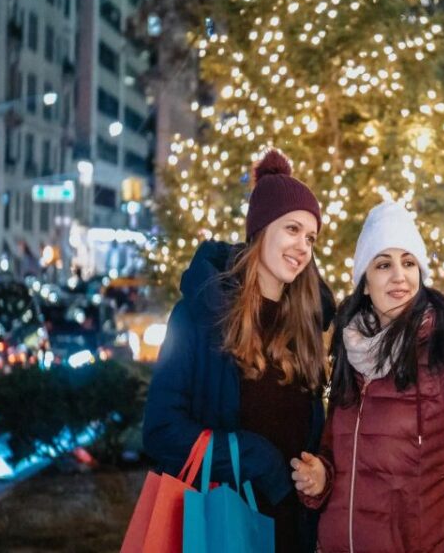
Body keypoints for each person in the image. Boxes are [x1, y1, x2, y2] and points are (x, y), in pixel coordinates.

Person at [291, 200, 444, 553]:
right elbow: (338, 455)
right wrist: (321, 478)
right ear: (365, 283)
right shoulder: (350, 347)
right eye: (383, 264)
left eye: (408, 263)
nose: (399, 275)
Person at [143, 149, 335, 553]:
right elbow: (162, 430)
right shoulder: (199, 315)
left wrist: (320, 472)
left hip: (292, 532)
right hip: (223, 528)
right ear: (261, 228)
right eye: (292, 229)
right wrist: (254, 459)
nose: (303, 246)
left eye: (311, 237)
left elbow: (314, 435)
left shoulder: (306, 325)